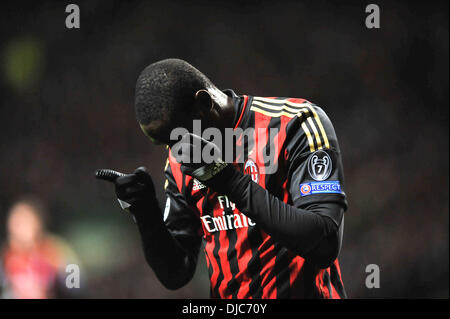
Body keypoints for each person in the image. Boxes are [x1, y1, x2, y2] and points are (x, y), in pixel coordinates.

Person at [97, 58, 348, 298]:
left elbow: (324, 241)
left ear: (204, 103)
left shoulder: (295, 123)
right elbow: (177, 274)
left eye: (178, 137)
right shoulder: (180, 158)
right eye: (165, 143)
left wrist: (226, 180)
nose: (175, 151)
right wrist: (146, 215)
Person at [1, 196, 77, 298]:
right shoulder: (6, 254)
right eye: (17, 223)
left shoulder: (52, 249)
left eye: (26, 222)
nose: (20, 228)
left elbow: (76, 285)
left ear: (37, 224)